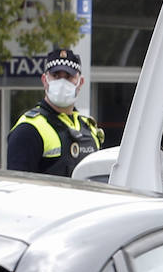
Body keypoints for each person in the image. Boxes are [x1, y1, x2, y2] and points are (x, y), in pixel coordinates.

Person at [6, 48, 104, 176]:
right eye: (56, 76)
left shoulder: (89, 128)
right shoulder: (29, 129)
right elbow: (18, 186)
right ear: (44, 80)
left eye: (69, 77)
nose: (62, 83)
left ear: (80, 82)